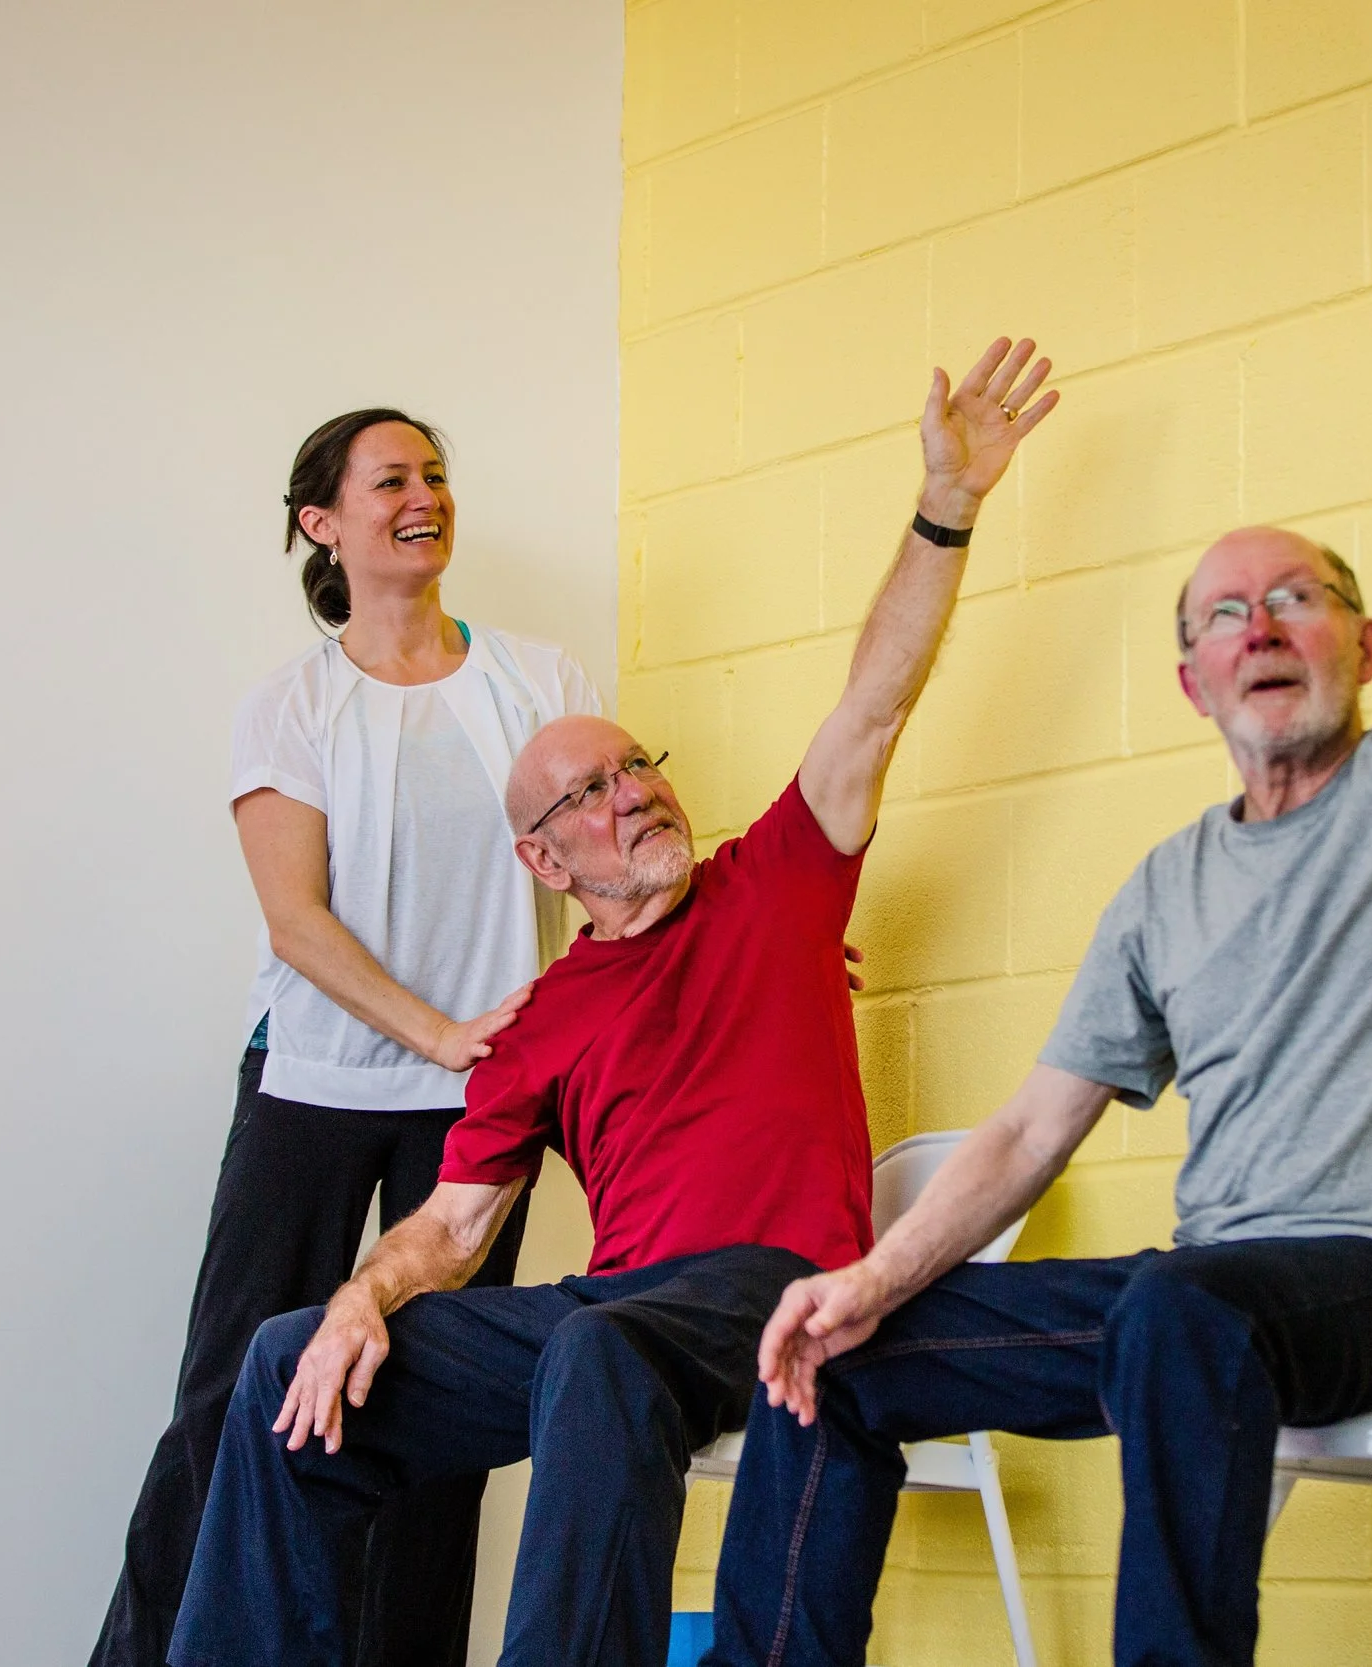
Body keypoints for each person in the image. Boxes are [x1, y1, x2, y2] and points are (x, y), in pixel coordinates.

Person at [705, 154, 1372, 1667]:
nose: (1262, 626)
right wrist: (866, 1279)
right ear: (1192, 683)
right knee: (831, 1362)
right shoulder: (1167, 883)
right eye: (1224, 614)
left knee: (1182, 1308)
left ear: (1364, 642)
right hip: (1219, 1307)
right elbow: (1034, 1133)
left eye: (1294, 598)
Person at [165, 339, 1061, 1667]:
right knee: (290, 1359)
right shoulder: (540, 1018)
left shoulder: (772, 888)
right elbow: (455, 1221)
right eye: (585, 793)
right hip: (617, 1306)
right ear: (542, 859)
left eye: (633, 766)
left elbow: (876, 702)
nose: (627, 791)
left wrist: (948, 505)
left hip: (768, 1286)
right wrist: (366, 1293)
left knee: (597, 1344)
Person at [93, 409, 601, 1667]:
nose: (423, 494)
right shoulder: (291, 707)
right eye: (391, 480)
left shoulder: (541, 681)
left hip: (479, 1105)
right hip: (314, 1083)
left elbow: (593, 861)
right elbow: (295, 919)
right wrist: (439, 1032)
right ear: (323, 522)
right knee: (228, 1397)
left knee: (435, 1412)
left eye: (434, 474)